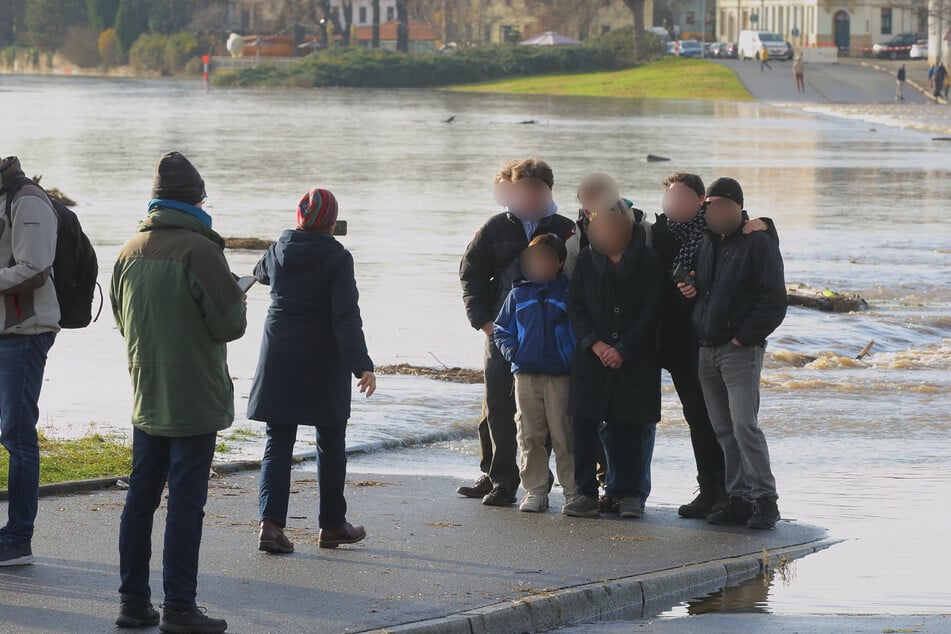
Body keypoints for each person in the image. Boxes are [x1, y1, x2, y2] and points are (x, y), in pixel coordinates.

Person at [111, 151, 246, 632]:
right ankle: (180, 608)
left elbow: (121, 321)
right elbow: (230, 324)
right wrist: (236, 290)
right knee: (186, 502)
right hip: (193, 397)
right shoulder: (200, 251)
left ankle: (132, 602)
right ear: (197, 199)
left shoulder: (128, 250)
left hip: (146, 393)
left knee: (141, 498)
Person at [249, 188, 375, 554]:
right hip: (323, 357)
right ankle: (333, 525)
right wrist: (361, 365)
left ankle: (270, 526)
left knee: (278, 441)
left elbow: (260, 274)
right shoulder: (337, 257)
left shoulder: (278, 249)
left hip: (280, 354)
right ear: (332, 223)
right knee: (331, 441)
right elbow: (345, 315)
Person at [653, 173, 776, 519]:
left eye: (723, 205)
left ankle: (765, 500)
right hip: (701, 346)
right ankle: (735, 498)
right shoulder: (704, 241)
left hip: (737, 349)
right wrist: (691, 291)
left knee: (743, 426)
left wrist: (744, 337)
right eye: (712, 206)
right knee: (720, 427)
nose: (716, 212)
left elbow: (773, 300)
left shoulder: (756, 241)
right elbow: (703, 289)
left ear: (738, 206)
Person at [459, 158, 576, 506]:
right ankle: (501, 480)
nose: (528, 197)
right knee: (498, 403)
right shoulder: (495, 227)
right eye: (521, 190)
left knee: (553, 411)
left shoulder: (567, 229)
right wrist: (482, 320)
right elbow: (470, 275)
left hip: (553, 337)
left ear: (547, 191)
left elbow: (580, 280)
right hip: (502, 328)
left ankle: (545, 480)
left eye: (535, 190)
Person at [562, 201, 664, 519]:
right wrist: (595, 344)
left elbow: (653, 310)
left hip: (637, 356)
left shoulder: (648, 259)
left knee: (630, 426)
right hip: (592, 356)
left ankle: (630, 494)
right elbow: (575, 305)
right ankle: (585, 494)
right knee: (584, 425)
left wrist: (623, 349)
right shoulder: (587, 259)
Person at [0, 156, 58, 567]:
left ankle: (19, 538)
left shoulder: (28, 200)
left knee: (17, 435)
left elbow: (34, 269)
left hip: (24, 333)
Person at [494, 234, 577, 513]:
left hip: (560, 375)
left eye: (545, 258)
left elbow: (580, 328)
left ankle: (572, 491)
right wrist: (513, 353)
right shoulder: (518, 294)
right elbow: (501, 328)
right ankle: (535, 490)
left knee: (564, 433)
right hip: (525, 374)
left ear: (560, 262)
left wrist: (570, 355)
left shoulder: (568, 292)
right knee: (529, 434)